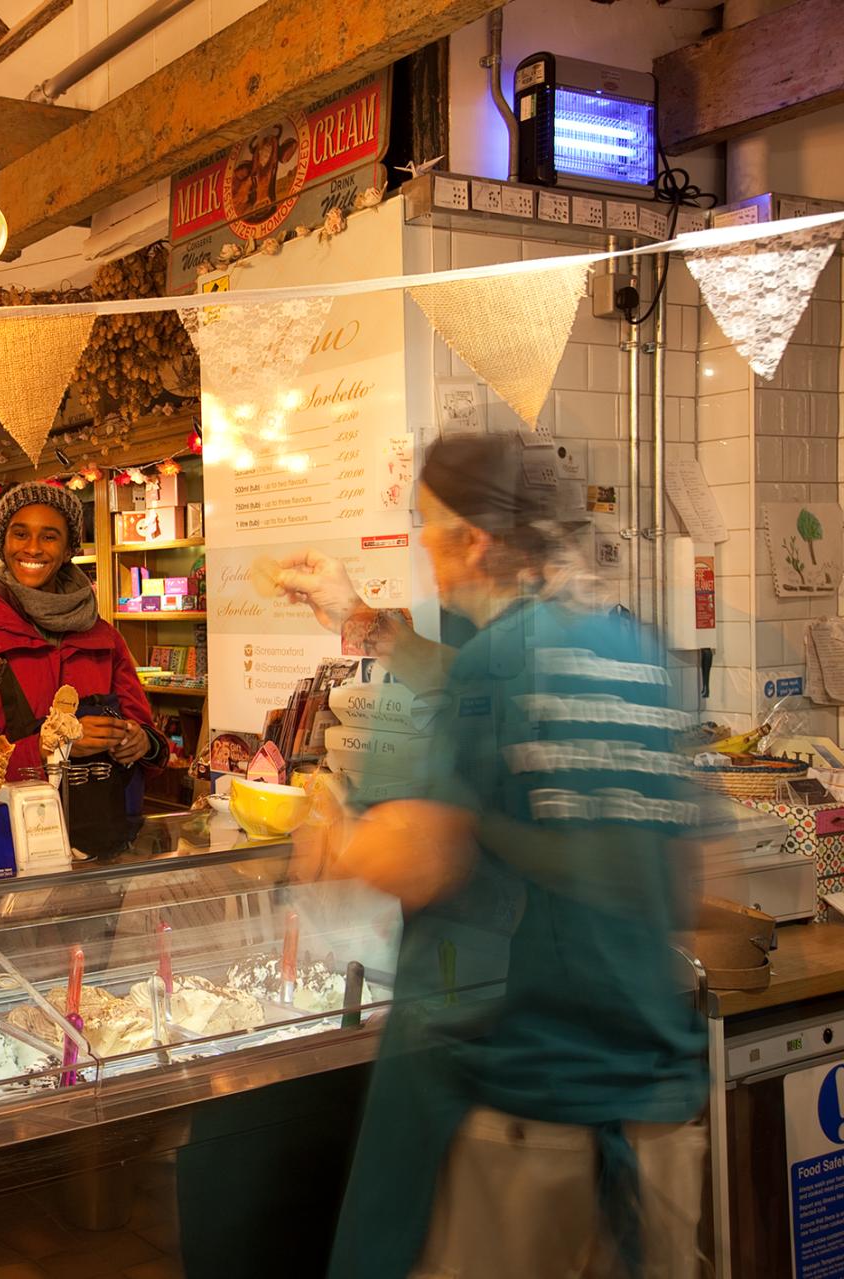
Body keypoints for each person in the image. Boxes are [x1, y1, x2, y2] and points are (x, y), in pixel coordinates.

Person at [276, 434, 706, 1278]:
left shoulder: (497, 666)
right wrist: (357, 618)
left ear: (474, 539)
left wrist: (331, 840)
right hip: (648, 1102)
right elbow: (688, 874)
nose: (425, 553)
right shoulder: (636, 655)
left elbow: (423, 853)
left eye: (429, 529)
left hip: (527, 1114)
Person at [0, 481, 167, 850]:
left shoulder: (104, 638)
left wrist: (139, 742)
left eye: (49, 536)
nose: (33, 548)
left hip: (101, 852)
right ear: (3, 544)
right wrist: (48, 749)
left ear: (69, 548)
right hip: (3, 851)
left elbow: (150, 739)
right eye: (20, 533)